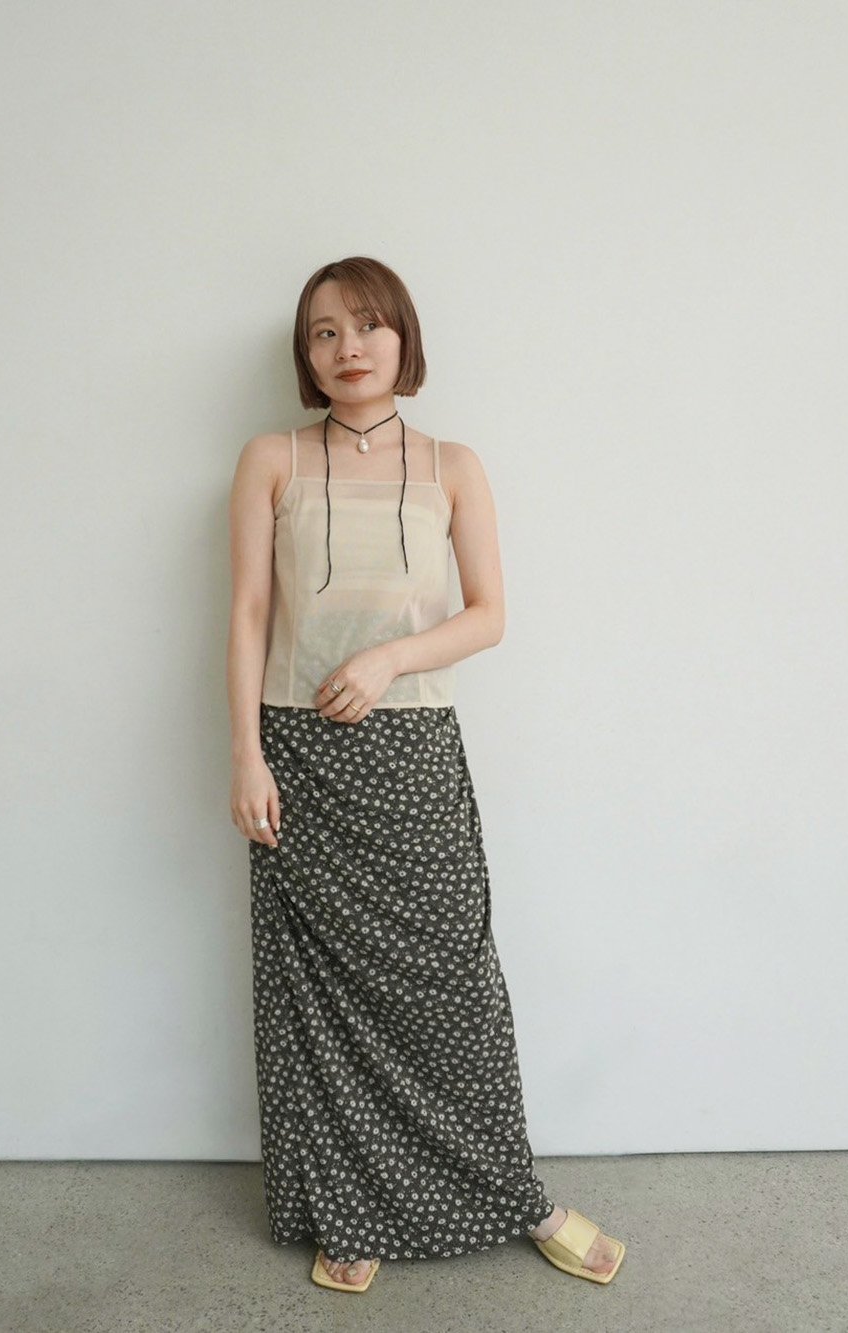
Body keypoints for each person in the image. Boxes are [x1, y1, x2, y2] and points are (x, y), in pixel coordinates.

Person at [226, 256, 625, 1293]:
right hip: (298, 755)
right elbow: (250, 613)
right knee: (319, 999)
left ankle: (521, 1196)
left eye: (367, 325)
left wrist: (389, 659)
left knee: (454, 986)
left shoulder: (453, 465)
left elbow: (488, 615)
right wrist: (246, 755)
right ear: (305, 355)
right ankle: (348, 1208)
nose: (347, 347)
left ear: (403, 336)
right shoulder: (271, 458)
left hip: (412, 753)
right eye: (323, 332)